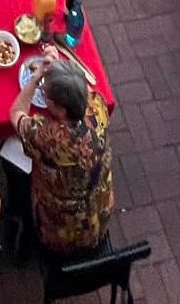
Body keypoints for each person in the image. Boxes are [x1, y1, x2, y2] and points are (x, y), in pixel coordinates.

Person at [10, 48, 114, 257]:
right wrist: (59, 69)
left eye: (45, 95)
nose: (43, 96)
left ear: (60, 109)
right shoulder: (98, 105)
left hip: (63, 232)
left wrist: (37, 75)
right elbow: (81, 88)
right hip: (100, 214)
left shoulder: (50, 137)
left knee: (12, 161)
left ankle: (20, 223)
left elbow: (16, 113)